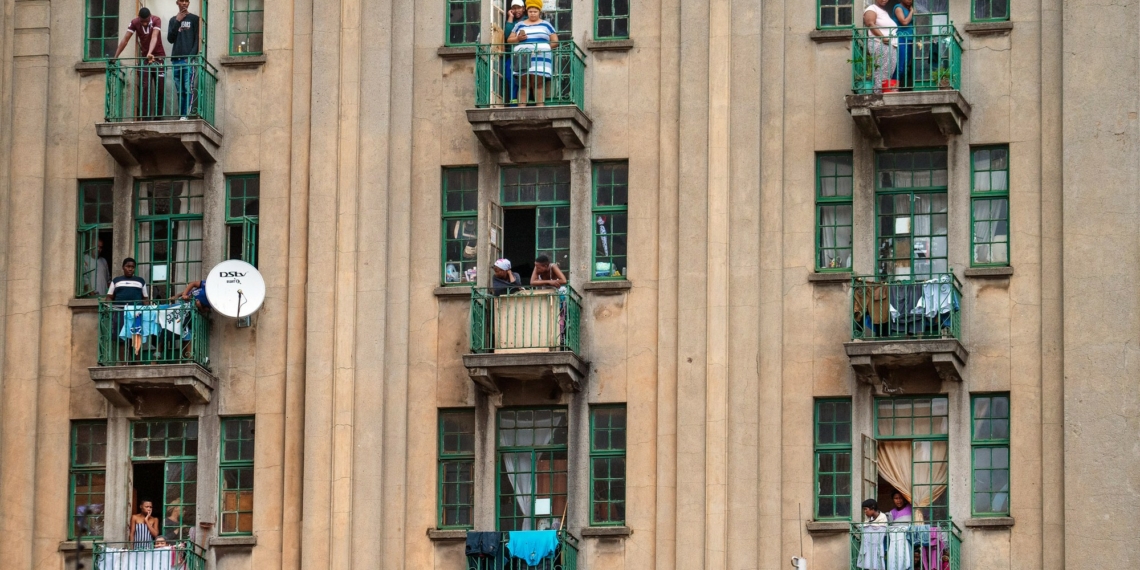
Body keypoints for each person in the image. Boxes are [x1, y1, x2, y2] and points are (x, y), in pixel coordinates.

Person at [113, 8, 167, 118]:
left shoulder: (156, 20)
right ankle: (145, 117)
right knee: (145, 87)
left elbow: (154, 37)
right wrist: (115, 57)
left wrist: (150, 52)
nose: (145, 23)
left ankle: (158, 117)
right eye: (142, 21)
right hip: (145, 59)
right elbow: (125, 39)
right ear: (139, 18)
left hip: (159, 57)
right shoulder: (135, 22)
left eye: (146, 20)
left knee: (160, 88)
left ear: (150, 16)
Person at [507, 0, 559, 107]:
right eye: (530, 11)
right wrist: (518, 38)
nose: (533, 13)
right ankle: (521, 108)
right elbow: (509, 40)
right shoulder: (520, 25)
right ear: (527, 11)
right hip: (523, 56)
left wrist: (543, 48)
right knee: (523, 84)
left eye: (535, 11)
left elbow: (555, 41)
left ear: (539, 11)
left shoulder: (546, 25)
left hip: (540, 57)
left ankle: (540, 107)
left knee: (538, 83)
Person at [108, 258, 150, 358]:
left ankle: (137, 362)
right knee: (122, 339)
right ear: (123, 267)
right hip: (120, 312)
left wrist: (146, 310)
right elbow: (109, 297)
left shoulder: (140, 281)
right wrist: (109, 308)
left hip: (136, 313)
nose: (130, 269)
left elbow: (145, 298)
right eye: (128, 266)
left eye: (132, 267)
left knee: (136, 337)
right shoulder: (116, 281)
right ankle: (123, 363)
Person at [167, 0, 201, 119]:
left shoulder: (195, 19)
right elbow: (170, 39)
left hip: (187, 60)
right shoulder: (173, 20)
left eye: (187, 1)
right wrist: (177, 21)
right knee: (179, 91)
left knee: (188, 89)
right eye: (182, 1)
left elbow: (198, 41)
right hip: (176, 59)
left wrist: (190, 57)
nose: (185, 3)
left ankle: (186, 115)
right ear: (177, 3)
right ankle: (182, 115)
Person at [862, 0, 897, 94]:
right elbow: (870, 23)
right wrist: (883, 38)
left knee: (888, 70)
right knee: (882, 70)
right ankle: (878, 93)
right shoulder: (872, 9)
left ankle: (884, 91)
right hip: (879, 43)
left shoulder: (884, 12)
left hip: (890, 45)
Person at [504, 0, 526, 104]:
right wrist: (510, 17)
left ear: (523, 9)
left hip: (525, 54)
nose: (517, 10)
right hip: (512, 55)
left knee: (525, 79)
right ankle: (513, 101)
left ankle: (527, 102)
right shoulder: (511, 22)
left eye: (519, 8)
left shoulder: (527, 19)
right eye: (514, 8)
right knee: (510, 78)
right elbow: (508, 35)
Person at [857, 499, 889, 570]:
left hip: (880, 542)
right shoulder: (869, 518)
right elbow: (865, 526)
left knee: (878, 563)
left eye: (866, 509)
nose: (865, 512)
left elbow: (874, 528)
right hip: (870, 544)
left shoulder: (882, 517)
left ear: (872, 508)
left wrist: (868, 526)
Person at [891, 0, 914, 88]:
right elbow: (904, 22)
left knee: (904, 67)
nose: (910, 0)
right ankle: (893, 88)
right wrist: (912, 11)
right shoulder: (898, 8)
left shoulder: (908, 9)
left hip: (909, 40)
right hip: (901, 39)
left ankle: (896, 87)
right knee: (900, 66)